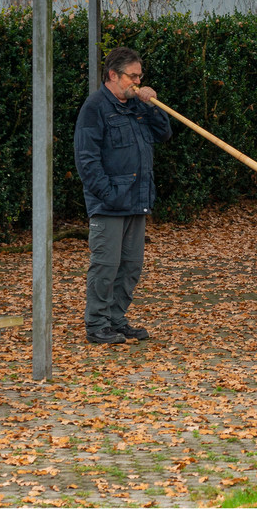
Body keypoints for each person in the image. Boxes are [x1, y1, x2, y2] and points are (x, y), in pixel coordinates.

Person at [73, 45, 172, 345]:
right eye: (132, 77)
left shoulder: (137, 105)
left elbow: (164, 134)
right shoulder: (94, 108)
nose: (137, 83)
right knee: (105, 265)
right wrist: (110, 195)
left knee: (131, 266)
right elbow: (86, 161)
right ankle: (97, 324)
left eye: (140, 77)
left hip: (137, 201)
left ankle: (117, 320)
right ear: (113, 75)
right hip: (109, 204)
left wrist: (153, 104)